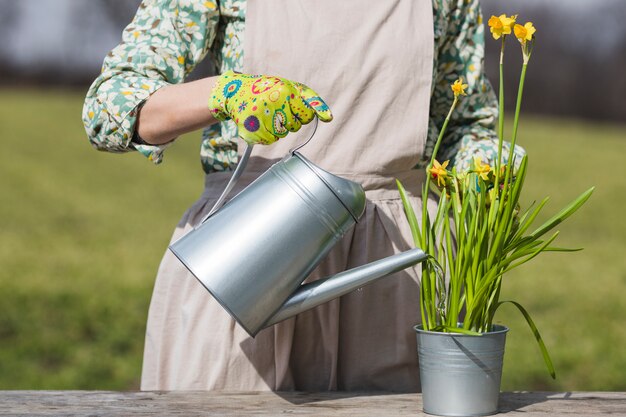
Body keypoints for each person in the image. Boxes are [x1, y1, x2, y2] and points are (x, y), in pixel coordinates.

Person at [83, 0, 520, 391]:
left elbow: (465, 124)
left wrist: (484, 163)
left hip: (392, 277)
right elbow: (112, 105)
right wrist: (226, 93)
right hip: (247, 262)